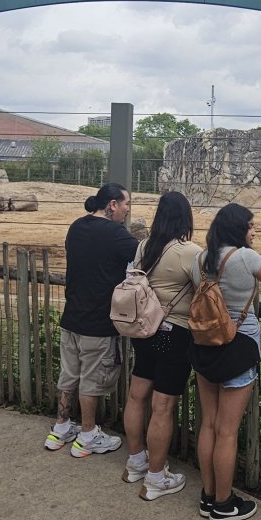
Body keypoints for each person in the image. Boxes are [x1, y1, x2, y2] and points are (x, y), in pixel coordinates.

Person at [187, 202, 261, 520]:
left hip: (204, 346)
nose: (254, 231)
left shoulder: (200, 260)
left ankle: (207, 495)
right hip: (238, 346)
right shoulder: (247, 258)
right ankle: (223, 504)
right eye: (250, 226)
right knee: (228, 432)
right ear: (238, 229)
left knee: (208, 425)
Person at [45, 182, 138, 458]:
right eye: (126, 204)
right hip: (98, 322)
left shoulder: (76, 227)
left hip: (71, 316)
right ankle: (87, 435)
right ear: (112, 205)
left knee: (69, 375)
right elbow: (143, 256)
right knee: (91, 380)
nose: (127, 210)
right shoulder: (115, 233)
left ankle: (60, 428)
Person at [121, 191, 202, 501]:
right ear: (186, 218)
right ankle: (156, 478)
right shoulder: (189, 252)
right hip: (175, 334)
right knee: (163, 406)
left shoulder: (144, 246)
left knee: (136, 394)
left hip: (145, 331)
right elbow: (206, 288)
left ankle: (136, 461)